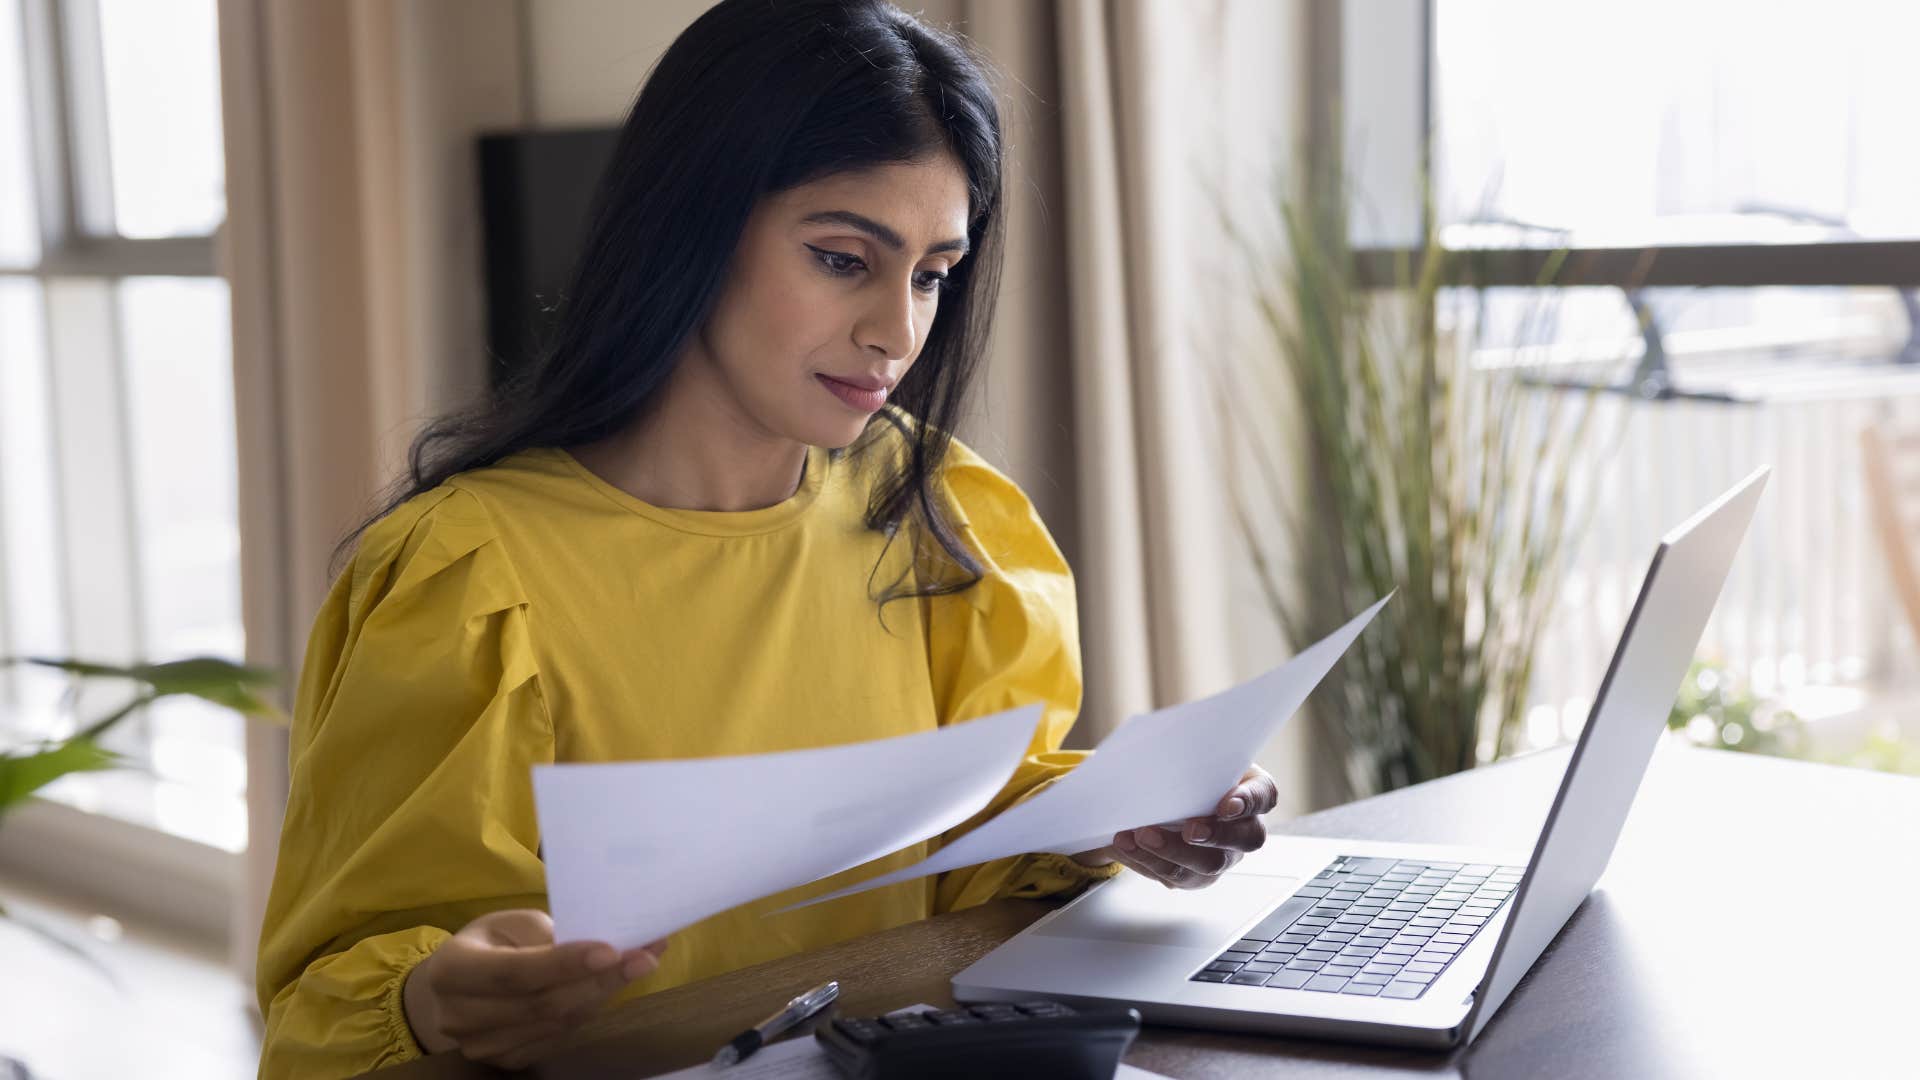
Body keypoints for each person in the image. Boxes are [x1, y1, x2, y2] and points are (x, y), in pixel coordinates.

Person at [253, 1, 1279, 1075]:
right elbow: (331, 1004)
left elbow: (966, 866)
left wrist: (1112, 820)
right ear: (688, 225)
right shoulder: (469, 578)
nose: (896, 332)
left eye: (932, 275)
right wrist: (434, 997)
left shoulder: (937, 511)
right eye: (842, 259)